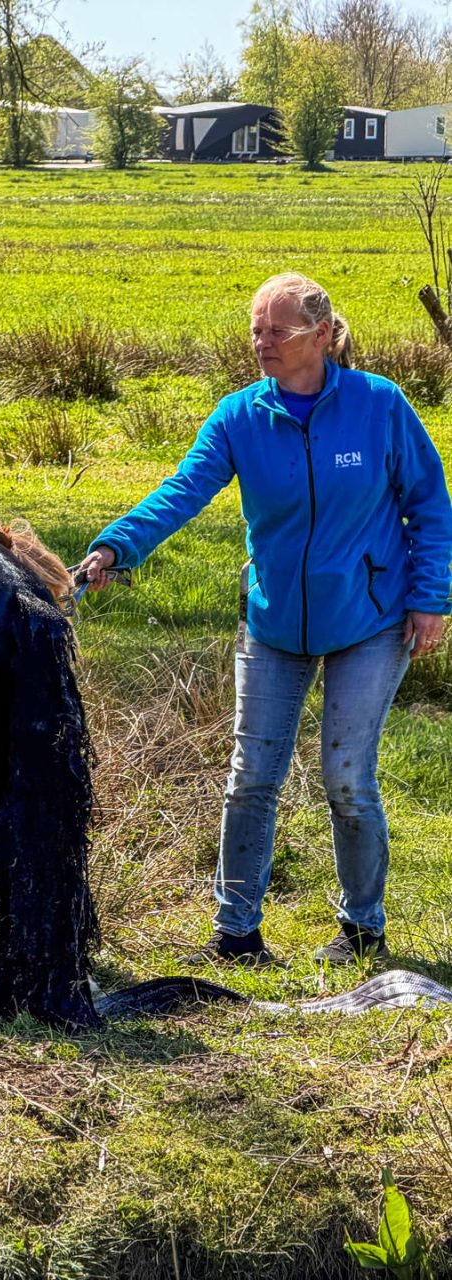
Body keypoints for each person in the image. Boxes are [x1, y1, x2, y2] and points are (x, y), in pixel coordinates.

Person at [79, 272, 452, 967]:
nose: (261, 342)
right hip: (273, 621)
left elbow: (429, 504)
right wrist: (114, 544)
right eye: (255, 329)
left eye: (276, 330)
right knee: (251, 775)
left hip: (369, 618)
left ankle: (360, 928)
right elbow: (180, 491)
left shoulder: (378, 406)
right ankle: (235, 933)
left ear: (320, 334)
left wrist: (431, 597)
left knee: (346, 777)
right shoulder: (239, 416)